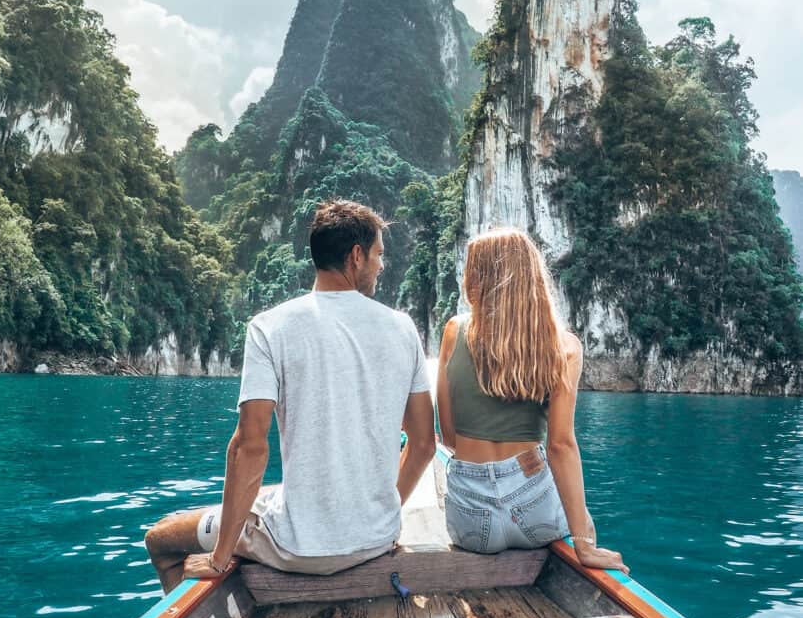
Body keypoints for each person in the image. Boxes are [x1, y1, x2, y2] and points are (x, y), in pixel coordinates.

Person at [145, 199, 436, 592]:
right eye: (378, 255)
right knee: (270, 496)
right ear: (355, 256)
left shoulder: (270, 328)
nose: (382, 266)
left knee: (160, 538)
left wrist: (219, 556)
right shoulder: (402, 330)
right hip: (377, 539)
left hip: (299, 548)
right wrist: (383, 515)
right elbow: (422, 444)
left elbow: (249, 447)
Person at [436, 227, 628, 574]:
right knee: (582, 518)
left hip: (471, 522)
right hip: (533, 508)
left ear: (476, 278)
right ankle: (583, 552)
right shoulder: (564, 346)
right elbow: (561, 446)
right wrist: (584, 544)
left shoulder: (454, 330)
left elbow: (447, 436)